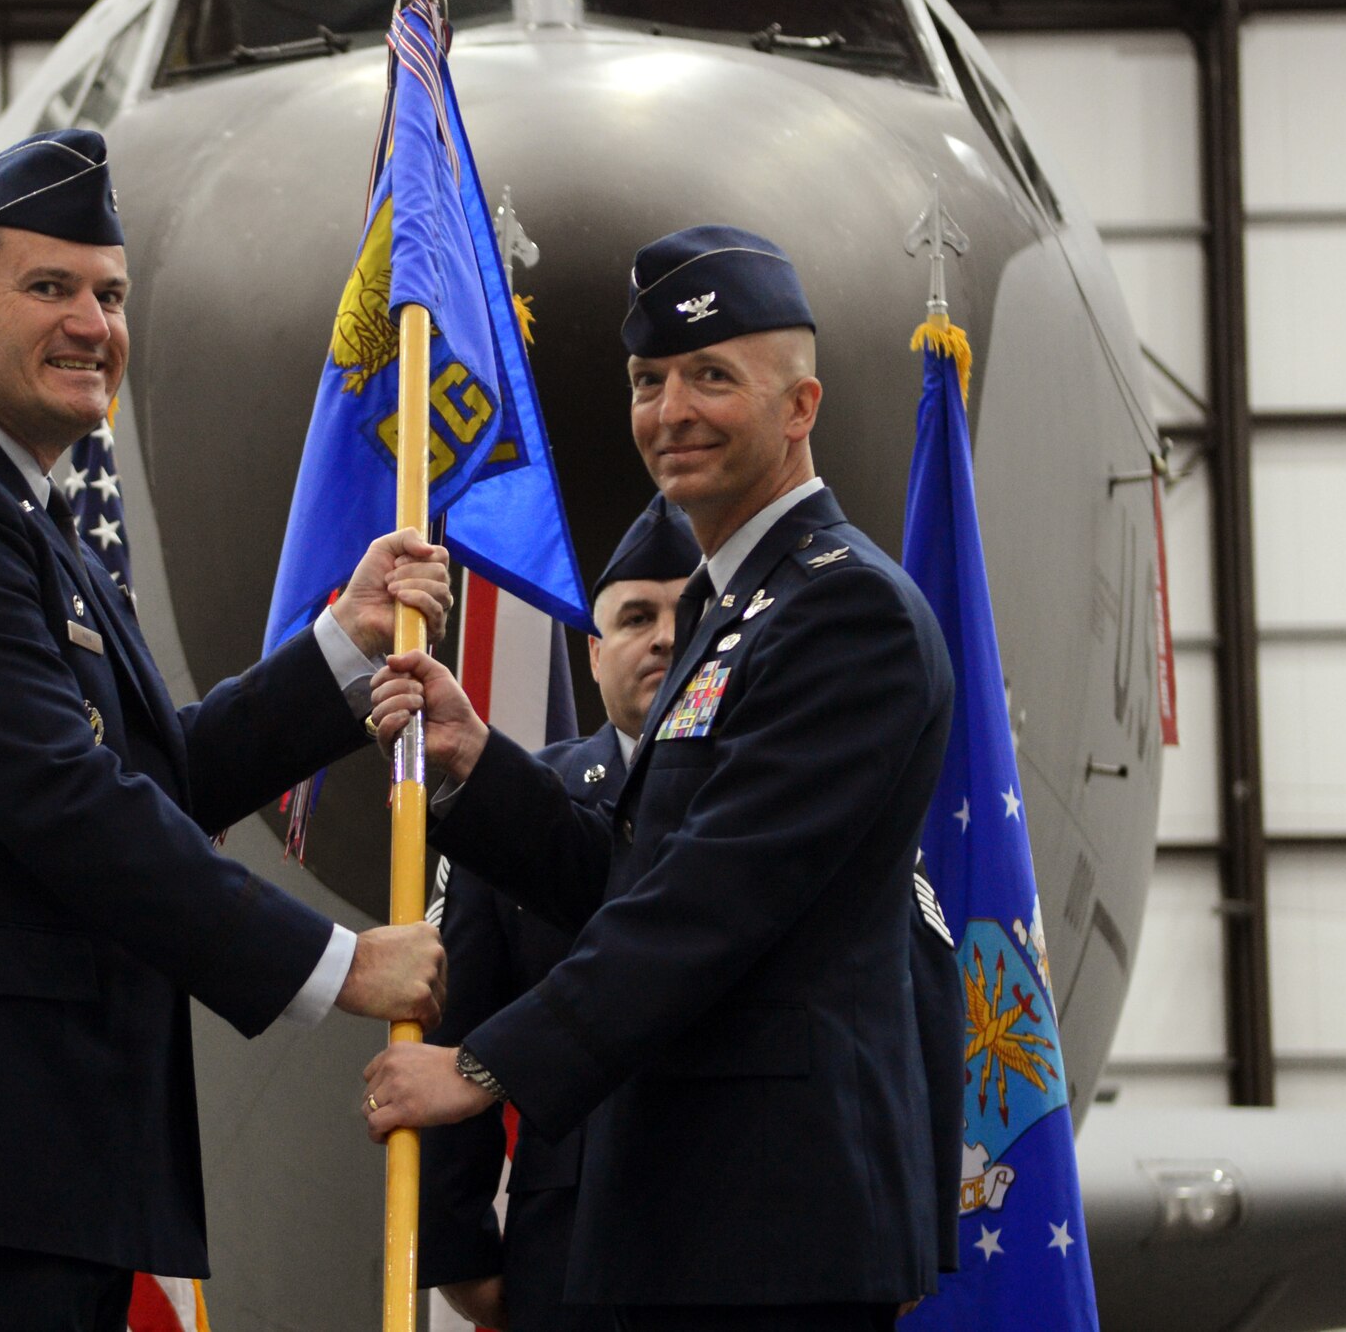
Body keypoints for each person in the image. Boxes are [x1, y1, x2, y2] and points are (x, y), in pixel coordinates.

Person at [0, 129, 451, 1332]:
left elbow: (148, 772)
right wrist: (340, 966)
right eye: (48, 289)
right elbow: (67, 804)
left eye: (110, 295)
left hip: (40, 1151)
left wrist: (338, 646)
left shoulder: (20, 521)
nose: (93, 323)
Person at [362, 226, 961, 1331]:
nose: (669, 410)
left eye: (710, 376)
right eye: (648, 380)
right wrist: (477, 763)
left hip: (768, 1225)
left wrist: (492, 1067)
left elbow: (714, 899)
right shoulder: (731, 612)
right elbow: (634, 876)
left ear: (799, 407)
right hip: (687, 1213)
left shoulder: (843, 611)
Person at [421, 497, 699, 1332]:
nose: (662, 638)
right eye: (636, 617)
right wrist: (460, 1253)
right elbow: (454, 1020)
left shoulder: (783, 783)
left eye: (688, 616)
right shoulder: (514, 809)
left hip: (747, 1224)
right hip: (567, 1248)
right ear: (593, 649)